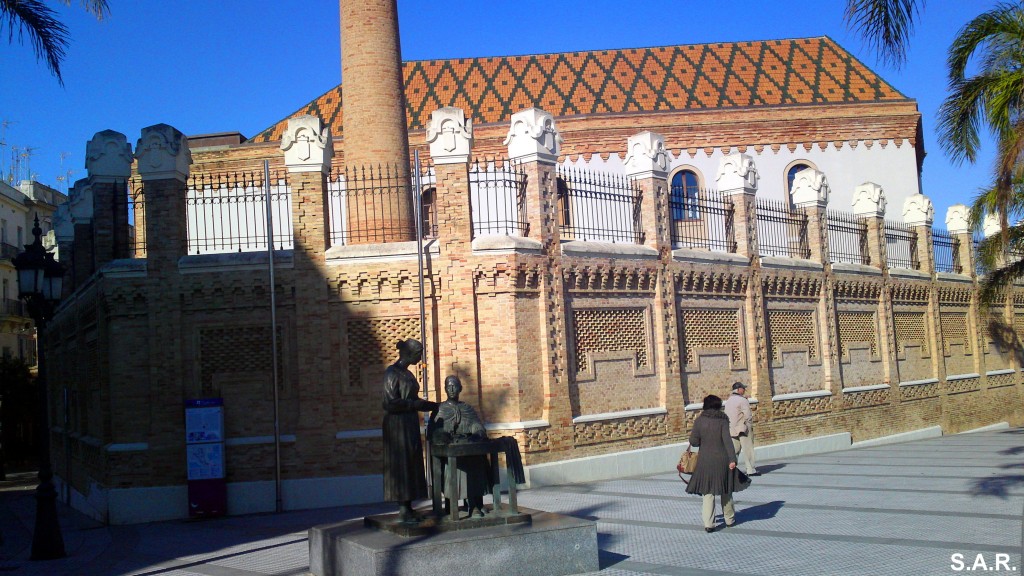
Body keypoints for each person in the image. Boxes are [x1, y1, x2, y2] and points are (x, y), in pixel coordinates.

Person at [382, 339, 438, 523]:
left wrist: (433, 406)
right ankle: (403, 509)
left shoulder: (407, 373)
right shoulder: (392, 373)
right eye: (418, 354)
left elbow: (414, 399)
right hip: (397, 425)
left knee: (412, 461)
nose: (420, 357)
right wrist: (413, 405)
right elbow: (389, 403)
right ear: (409, 354)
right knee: (401, 463)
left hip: (410, 422)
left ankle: (409, 506)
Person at [429, 375, 491, 518]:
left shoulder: (467, 408)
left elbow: (477, 425)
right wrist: (444, 436)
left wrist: (477, 433)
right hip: (449, 452)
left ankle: (475, 503)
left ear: (460, 388)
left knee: (477, 459)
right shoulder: (440, 409)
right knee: (460, 463)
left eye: (454, 386)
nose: (451, 389)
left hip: (467, 448)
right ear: (445, 389)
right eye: (448, 386)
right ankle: (464, 505)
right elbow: (433, 432)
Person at [685, 394, 748, 532]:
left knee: (708, 492)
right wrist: (732, 459)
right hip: (722, 459)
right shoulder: (722, 420)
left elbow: (694, 441)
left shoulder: (699, 421)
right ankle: (729, 519)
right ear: (718, 405)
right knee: (726, 489)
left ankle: (709, 524)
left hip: (705, 460)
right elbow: (727, 441)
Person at [724, 382, 757, 476]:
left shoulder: (728, 401)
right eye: (743, 388)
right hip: (743, 428)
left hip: (731, 429)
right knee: (748, 449)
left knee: (734, 450)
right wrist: (749, 426)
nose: (744, 390)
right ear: (738, 390)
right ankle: (750, 470)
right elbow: (748, 416)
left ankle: (731, 469)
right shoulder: (743, 400)